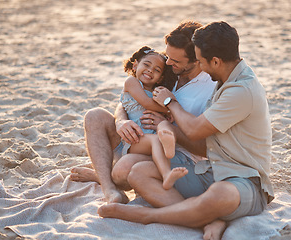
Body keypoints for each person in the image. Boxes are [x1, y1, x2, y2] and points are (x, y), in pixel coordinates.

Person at [97, 21, 275, 240]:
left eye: (200, 61)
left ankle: (148, 216)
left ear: (215, 61)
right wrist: (121, 120)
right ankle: (202, 215)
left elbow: (194, 131)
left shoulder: (239, 90)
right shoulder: (219, 75)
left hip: (244, 178)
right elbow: (134, 94)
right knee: (137, 172)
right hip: (211, 168)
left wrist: (170, 104)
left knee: (220, 194)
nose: (168, 63)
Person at [70, 21, 216, 203]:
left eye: (175, 60)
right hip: (140, 135)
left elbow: (208, 148)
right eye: (168, 57)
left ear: (196, 59)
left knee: (121, 171)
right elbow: (130, 100)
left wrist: (169, 127)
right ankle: (109, 189)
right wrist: (121, 121)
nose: (168, 62)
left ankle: (101, 175)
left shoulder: (212, 89)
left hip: (175, 152)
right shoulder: (168, 69)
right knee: (95, 116)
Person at [115, 45, 189, 190]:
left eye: (157, 70)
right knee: (156, 140)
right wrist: (170, 108)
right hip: (135, 138)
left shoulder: (157, 91)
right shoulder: (132, 82)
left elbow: (158, 112)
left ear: (160, 78)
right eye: (146, 65)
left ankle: (167, 140)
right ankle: (166, 174)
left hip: (151, 135)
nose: (150, 70)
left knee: (163, 127)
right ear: (135, 65)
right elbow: (147, 103)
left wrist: (166, 115)